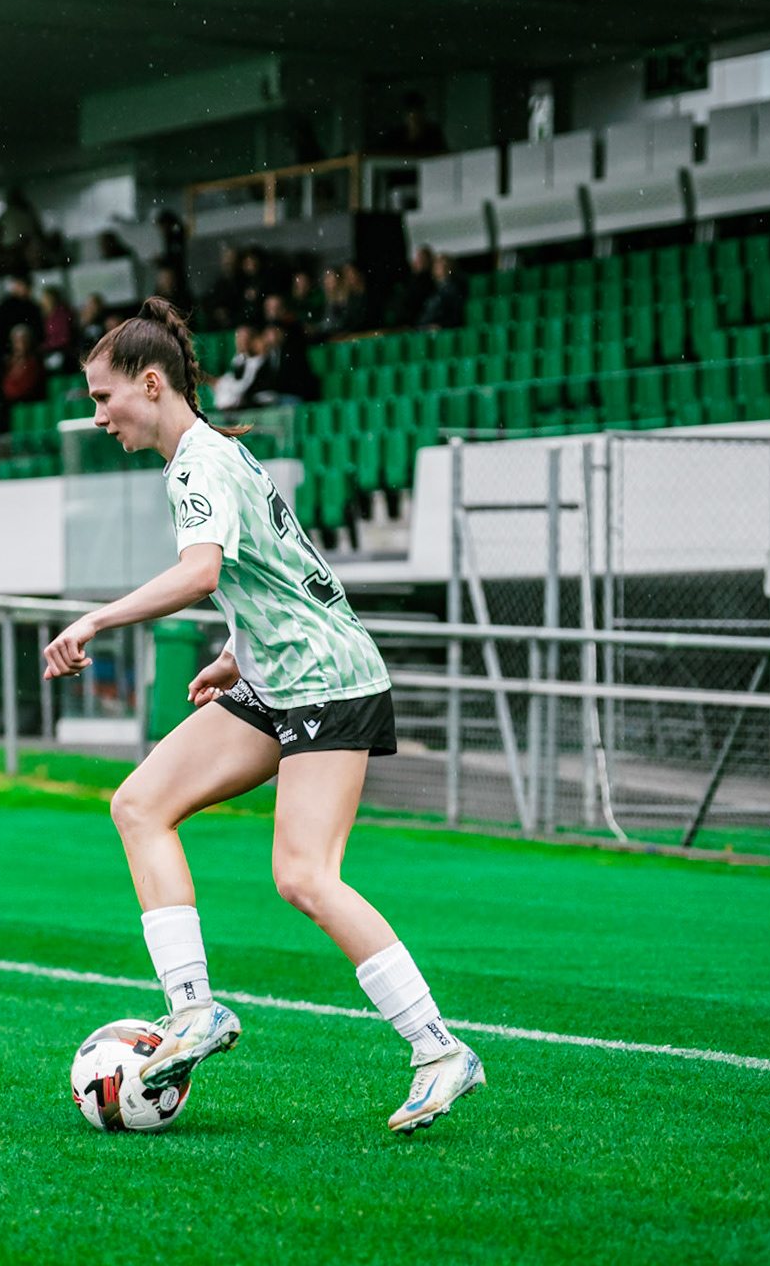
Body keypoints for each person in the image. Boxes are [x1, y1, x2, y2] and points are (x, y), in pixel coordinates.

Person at [41, 297, 483, 1135]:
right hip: (280, 675)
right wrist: (238, 655)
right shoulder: (215, 455)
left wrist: (95, 618)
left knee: (304, 875)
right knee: (138, 804)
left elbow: (203, 571)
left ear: (151, 383)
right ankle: (194, 1010)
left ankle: (439, 1048)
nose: (98, 418)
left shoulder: (198, 464)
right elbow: (283, 574)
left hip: (328, 681)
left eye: (105, 399)